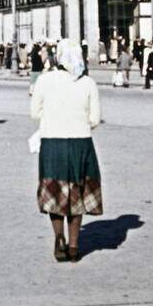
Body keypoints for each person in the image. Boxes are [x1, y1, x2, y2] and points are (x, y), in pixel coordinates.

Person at [31, 39, 102, 264]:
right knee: (77, 192)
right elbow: (95, 119)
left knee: (55, 191)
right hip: (81, 143)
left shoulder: (44, 80)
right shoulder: (88, 83)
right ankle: (74, 245)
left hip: (52, 142)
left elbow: (34, 113)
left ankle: (58, 237)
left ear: (58, 57)